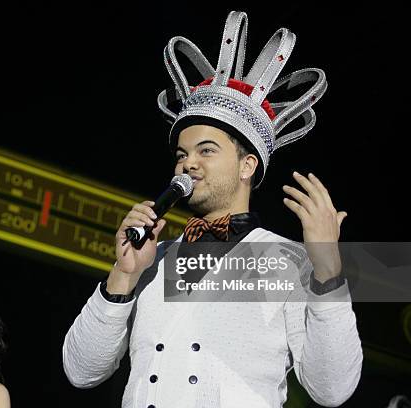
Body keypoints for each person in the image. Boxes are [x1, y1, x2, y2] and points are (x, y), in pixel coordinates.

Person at [63, 10, 363, 408]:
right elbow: (82, 372)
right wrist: (123, 274)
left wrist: (328, 271)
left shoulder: (287, 261)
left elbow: (332, 389)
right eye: (182, 154)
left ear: (246, 166)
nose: (188, 163)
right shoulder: (152, 258)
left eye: (207, 151)